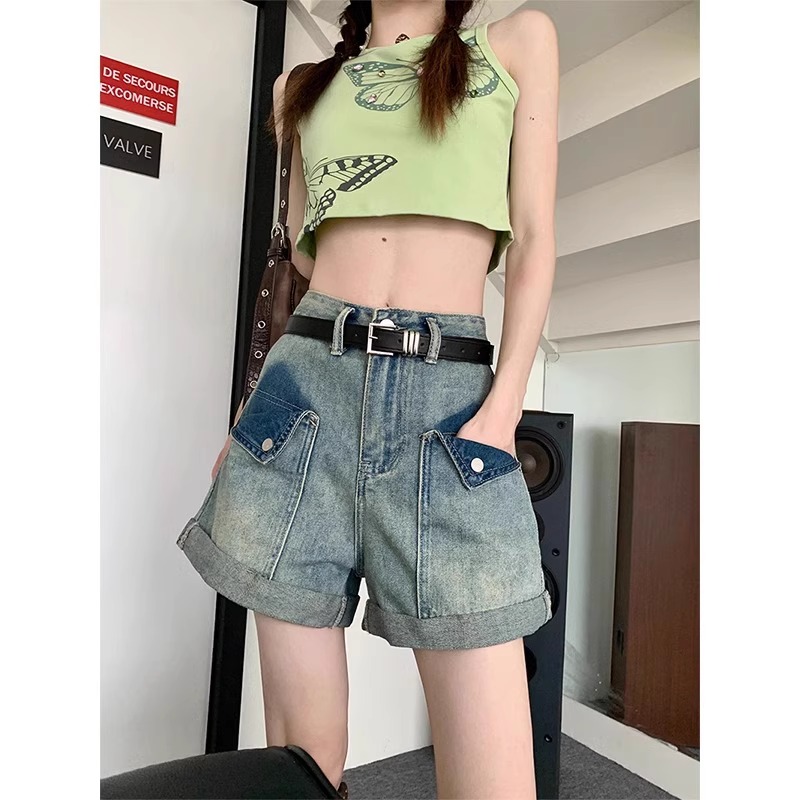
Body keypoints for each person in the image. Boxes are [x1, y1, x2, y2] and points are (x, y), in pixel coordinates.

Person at [176, 1, 559, 797]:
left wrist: (504, 410)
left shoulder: (514, 43)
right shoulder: (301, 86)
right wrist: (252, 414)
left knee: (494, 780)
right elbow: (298, 269)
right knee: (303, 764)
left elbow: (533, 240)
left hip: (451, 410)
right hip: (302, 403)